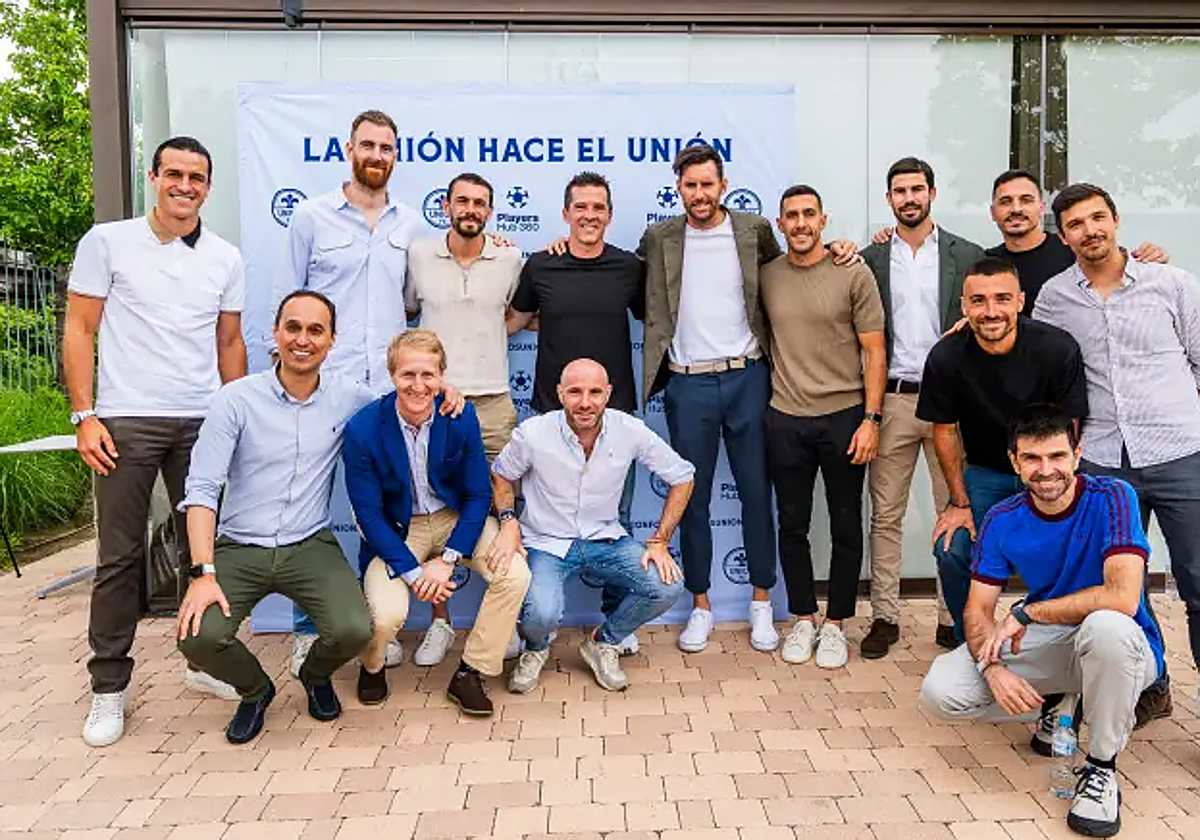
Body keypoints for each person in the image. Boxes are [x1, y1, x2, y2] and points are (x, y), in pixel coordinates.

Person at [65, 136, 247, 747]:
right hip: (126, 420)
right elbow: (79, 327)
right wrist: (84, 415)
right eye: (175, 174)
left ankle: (203, 662)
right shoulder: (108, 242)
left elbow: (228, 344)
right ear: (153, 176)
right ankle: (109, 689)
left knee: (208, 555)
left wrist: (238, 412)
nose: (185, 185)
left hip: (202, 422)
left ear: (208, 186)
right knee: (119, 560)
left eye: (197, 177)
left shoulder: (224, 256)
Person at [920, 404, 1164, 839]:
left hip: (1125, 648)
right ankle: (1061, 701)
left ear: (1076, 454)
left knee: (1106, 627)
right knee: (941, 691)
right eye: (1032, 458)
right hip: (1057, 641)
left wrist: (1026, 612)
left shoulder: (1113, 498)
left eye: (1056, 456)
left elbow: (1123, 598)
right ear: (1014, 461)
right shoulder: (1002, 518)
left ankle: (1101, 768)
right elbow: (977, 610)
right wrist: (991, 668)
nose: (1046, 470)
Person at [274, 109, 459, 675]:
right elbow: (287, 305)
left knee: (380, 509)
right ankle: (313, 627)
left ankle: (383, 617)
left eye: (387, 148)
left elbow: (417, 303)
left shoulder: (410, 227)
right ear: (349, 148)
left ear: (396, 156)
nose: (377, 155)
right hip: (321, 387)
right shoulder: (310, 217)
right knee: (309, 509)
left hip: (387, 395)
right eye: (368, 145)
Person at [176, 291, 374, 745]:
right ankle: (255, 690)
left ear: (331, 340)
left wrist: (442, 388)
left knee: (354, 630)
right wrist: (203, 572)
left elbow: (404, 403)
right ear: (276, 333)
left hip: (309, 544)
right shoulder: (236, 400)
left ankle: (314, 674)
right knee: (197, 638)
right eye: (293, 328)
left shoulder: (350, 397)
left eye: (315, 330)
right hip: (240, 546)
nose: (303, 340)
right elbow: (203, 489)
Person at [1034, 182, 1200, 695]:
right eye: (1076, 225)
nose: (1090, 231)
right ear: (1063, 237)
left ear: (1115, 218)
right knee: (1123, 590)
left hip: (1179, 453)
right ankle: (1153, 687)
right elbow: (1035, 363)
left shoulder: (1171, 283)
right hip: (1105, 461)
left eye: (1096, 218)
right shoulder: (1054, 298)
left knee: (1198, 580)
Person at [342, 329, 530, 715]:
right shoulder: (362, 429)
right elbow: (369, 514)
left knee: (515, 575)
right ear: (392, 375)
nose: (418, 385)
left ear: (442, 376)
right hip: (398, 529)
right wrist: (414, 575)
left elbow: (479, 494)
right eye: (408, 375)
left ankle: (470, 672)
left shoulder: (459, 416)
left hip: (454, 520)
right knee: (386, 613)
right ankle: (372, 666)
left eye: (428, 375)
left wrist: (447, 559)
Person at [916, 256, 1088, 641]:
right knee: (953, 548)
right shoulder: (946, 356)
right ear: (964, 306)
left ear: (1020, 301)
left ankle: (1063, 647)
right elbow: (944, 431)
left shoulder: (1056, 349)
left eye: (1002, 299)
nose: (990, 311)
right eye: (978, 301)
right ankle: (971, 645)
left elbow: (1070, 427)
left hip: (1049, 470)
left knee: (1075, 548)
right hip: (986, 473)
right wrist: (959, 503)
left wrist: (1052, 484)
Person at [495, 359, 693, 693]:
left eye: (594, 392)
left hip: (605, 539)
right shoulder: (533, 433)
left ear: (608, 394)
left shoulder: (628, 429)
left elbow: (682, 476)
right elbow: (501, 475)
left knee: (667, 585)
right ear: (560, 394)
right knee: (542, 614)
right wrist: (508, 520)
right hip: (546, 542)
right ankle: (536, 648)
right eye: (575, 392)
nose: (585, 402)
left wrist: (660, 539)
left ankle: (604, 642)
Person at [509, 171, 645, 654]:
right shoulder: (541, 265)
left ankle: (613, 625)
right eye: (580, 207)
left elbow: (663, 315)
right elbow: (514, 319)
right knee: (537, 524)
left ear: (609, 214)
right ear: (565, 213)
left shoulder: (630, 268)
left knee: (619, 518)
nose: (590, 216)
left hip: (615, 419)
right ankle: (534, 625)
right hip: (549, 419)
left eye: (599, 208)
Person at [858, 157, 985, 657]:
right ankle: (885, 616)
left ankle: (952, 617)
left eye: (917, 189)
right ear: (888, 199)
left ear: (932, 192)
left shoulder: (967, 254)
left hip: (952, 405)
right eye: (899, 191)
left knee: (954, 508)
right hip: (892, 399)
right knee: (885, 514)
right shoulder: (870, 258)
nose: (909, 197)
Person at [760, 185, 886, 668]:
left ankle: (836, 624)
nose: (800, 223)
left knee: (844, 523)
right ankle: (803, 618)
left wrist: (871, 420)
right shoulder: (767, 275)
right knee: (791, 525)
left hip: (845, 417)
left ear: (823, 219)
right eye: (791, 215)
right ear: (780, 223)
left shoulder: (853, 271)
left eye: (808, 214)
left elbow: (874, 350)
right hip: (785, 416)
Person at [984, 169, 1167, 314]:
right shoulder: (985, 262)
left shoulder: (1075, 248)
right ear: (992, 212)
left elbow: (1115, 264)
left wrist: (1146, 259)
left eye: (1026, 200)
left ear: (1041, 209)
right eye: (1006, 202)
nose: (1016, 209)